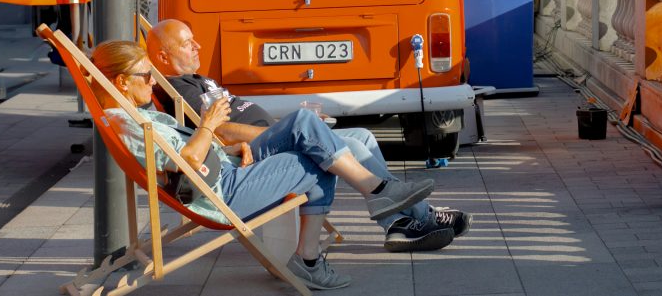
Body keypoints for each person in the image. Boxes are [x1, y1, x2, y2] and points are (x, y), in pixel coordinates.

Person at [91, 41, 439, 290]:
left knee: (304, 122)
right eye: (146, 75)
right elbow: (187, 163)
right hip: (221, 192)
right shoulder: (127, 122)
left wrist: (233, 146)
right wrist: (209, 124)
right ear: (122, 81)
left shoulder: (133, 116)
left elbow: (190, 155)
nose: (153, 82)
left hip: (225, 166)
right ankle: (345, 224)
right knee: (316, 157)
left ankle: (372, 199)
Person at [147, 19, 471, 253]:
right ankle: (418, 214)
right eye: (187, 42)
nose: (197, 45)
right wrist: (285, 132)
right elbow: (219, 130)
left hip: (269, 139)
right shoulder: (179, 88)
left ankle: (398, 226)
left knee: (362, 135)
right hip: (255, 157)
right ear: (162, 56)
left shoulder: (194, 78)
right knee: (351, 145)